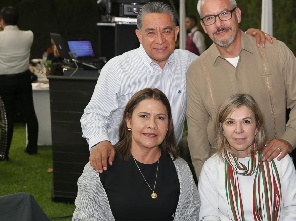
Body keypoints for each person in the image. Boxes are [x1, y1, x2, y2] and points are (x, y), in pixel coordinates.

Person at [82, 0, 275, 173]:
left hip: (166, 162)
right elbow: (94, 113)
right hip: (121, 162)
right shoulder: (117, 68)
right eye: (151, 32)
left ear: (176, 32)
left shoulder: (189, 63)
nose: (160, 40)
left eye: (166, 31)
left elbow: (225, 65)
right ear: (139, 35)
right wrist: (99, 142)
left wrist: (244, 39)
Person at [186, 0, 296, 177]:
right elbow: (197, 134)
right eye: (210, 18)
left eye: (224, 14)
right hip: (225, 177)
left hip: (275, 169)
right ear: (204, 27)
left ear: (237, 14)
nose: (218, 24)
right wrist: (206, 181)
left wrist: (289, 139)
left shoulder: (275, 52)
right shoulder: (197, 71)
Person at [73, 88, 200, 220]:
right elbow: (85, 217)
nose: (152, 125)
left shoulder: (181, 170)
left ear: (168, 125)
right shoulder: (101, 166)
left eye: (160, 118)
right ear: (129, 121)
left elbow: (191, 215)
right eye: (144, 116)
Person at [198, 93, 296, 220]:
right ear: (222, 129)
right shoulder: (212, 167)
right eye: (230, 122)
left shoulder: (278, 160)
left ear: (257, 127)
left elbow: (294, 209)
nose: (238, 130)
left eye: (246, 121)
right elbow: (208, 215)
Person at [0, 6, 39, 160]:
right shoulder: (29, 35)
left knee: (7, 116)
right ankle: (32, 147)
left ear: (2, 21)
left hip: (5, 80)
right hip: (23, 78)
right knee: (29, 112)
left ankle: (3, 153)